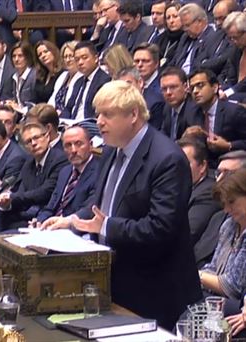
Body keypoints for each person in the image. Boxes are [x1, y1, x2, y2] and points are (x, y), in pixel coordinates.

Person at [42, 80, 202, 330]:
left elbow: (160, 228)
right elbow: (103, 205)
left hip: (154, 290)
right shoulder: (110, 151)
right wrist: (72, 220)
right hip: (114, 282)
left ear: (133, 115)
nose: (99, 122)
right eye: (97, 115)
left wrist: (104, 226)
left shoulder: (167, 159)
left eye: (107, 114)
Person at [201, 168, 246, 313]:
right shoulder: (229, 225)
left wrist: (197, 275)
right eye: (224, 204)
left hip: (238, 305)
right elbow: (214, 268)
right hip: (217, 297)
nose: (227, 209)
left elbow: (233, 287)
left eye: (231, 202)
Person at [178, 138, 221, 261]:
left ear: (202, 166)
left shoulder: (208, 192)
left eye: (184, 163)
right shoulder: (175, 187)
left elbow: (189, 233)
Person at [61, 41, 111, 120]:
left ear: (96, 58)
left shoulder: (104, 80)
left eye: (84, 58)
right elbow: (68, 108)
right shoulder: (78, 82)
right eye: (77, 59)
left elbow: (98, 112)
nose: (80, 62)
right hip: (72, 125)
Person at [160, 67, 199, 140]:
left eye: (173, 87)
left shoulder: (193, 110)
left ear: (185, 87)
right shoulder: (167, 107)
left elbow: (192, 143)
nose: (168, 93)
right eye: (164, 89)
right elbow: (164, 132)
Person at [6, 42, 37, 115]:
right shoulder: (14, 77)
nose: (16, 59)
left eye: (20, 56)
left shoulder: (34, 76)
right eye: (14, 56)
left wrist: (20, 108)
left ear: (27, 57)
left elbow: (37, 103)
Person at [49, 41, 80, 112]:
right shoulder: (63, 76)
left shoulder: (82, 77)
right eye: (65, 57)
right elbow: (52, 99)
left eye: (71, 56)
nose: (68, 60)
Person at [157, 1, 183, 68]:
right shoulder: (161, 38)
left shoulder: (187, 37)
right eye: (168, 18)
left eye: (175, 16)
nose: (171, 21)